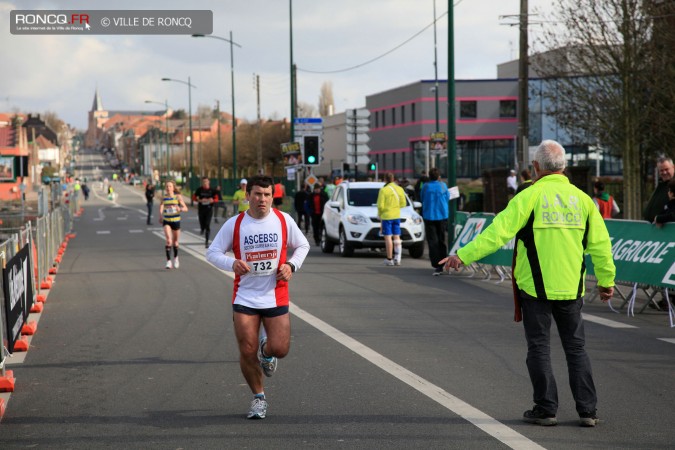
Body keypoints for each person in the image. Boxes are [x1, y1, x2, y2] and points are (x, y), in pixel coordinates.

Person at [441, 140, 616, 428]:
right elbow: (601, 247)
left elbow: (495, 235)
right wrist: (607, 281)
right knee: (576, 349)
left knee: (539, 348)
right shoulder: (584, 200)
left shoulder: (528, 197)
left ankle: (546, 408)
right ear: (564, 168)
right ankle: (588, 411)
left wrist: (461, 256)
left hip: (535, 288)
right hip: (571, 288)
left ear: (535, 168)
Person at [205, 175, 310, 420]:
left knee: (280, 349)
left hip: (276, 295)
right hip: (245, 296)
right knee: (246, 350)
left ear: (273, 197)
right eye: (257, 194)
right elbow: (212, 252)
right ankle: (259, 398)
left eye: (266, 195)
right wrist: (232, 263)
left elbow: (302, 245)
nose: (261, 199)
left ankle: (267, 350)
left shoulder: (284, 220)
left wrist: (291, 266)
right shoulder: (236, 223)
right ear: (247, 196)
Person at [421, 168, 450, 276]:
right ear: (439, 177)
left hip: (429, 215)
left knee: (432, 241)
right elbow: (448, 197)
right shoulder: (443, 186)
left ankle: (436, 263)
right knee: (442, 240)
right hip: (442, 215)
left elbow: (422, 198)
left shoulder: (426, 186)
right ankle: (443, 261)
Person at [377, 172, 406, 266]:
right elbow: (403, 204)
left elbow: (380, 206)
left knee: (388, 237)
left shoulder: (383, 190)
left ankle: (389, 258)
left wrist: (380, 215)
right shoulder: (400, 189)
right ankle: (398, 258)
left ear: (385, 179)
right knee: (397, 236)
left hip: (386, 216)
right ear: (393, 179)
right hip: (397, 215)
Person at [159, 180, 188, 269]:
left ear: (173, 188)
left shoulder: (177, 197)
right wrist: (160, 216)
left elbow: (185, 208)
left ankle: (176, 258)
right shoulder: (163, 198)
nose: (168, 188)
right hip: (167, 220)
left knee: (175, 242)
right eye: (167, 186)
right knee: (168, 240)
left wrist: (179, 208)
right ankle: (168, 261)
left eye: (170, 186)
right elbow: (161, 207)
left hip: (176, 221)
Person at [644, 156, 675, 223]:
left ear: (673, 167)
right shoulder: (661, 184)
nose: (664, 172)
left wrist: (660, 218)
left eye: (666, 169)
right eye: (661, 170)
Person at [192, 177, 220, 247]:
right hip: (201, 209)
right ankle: (202, 228)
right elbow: (194, 198)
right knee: (202, 223)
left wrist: (212, 200)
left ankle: (206, 242)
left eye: (206, 181)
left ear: (208, 182)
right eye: (204, 182)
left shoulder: (212, 190)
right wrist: (200, 200)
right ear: (202, 182)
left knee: (207, 225)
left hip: (209, 209)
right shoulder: (199, 189)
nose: (205, 183)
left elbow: (217, 199)